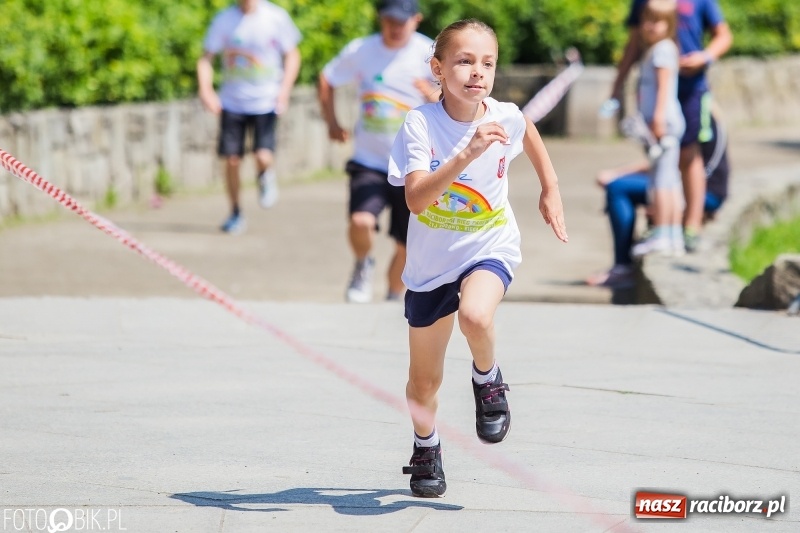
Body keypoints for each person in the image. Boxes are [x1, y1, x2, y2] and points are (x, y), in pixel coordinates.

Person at [387, 19, 568, 497]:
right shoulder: (420, 123)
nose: (477, 72)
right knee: (423, 381)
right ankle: (426, 446)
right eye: (464, 60)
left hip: (489, 243)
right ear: (438, 68)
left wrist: (550, 189)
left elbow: (526, 129)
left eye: (487, 62)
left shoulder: (504, 114)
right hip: (431, 264)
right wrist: (466, 155)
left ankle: (487, 380)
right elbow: (418, 201)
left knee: (475, 314)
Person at [318, 0, 439, 303]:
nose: (395, 28)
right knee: (360, 221)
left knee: (407, 245)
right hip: (369, 160)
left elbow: (459, 98)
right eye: (389, 21)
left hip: (414, 165)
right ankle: (363, 263)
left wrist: (436, 95)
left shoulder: (430, 55)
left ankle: (393, 297)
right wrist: (332, 121)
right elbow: (327, 78)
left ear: (417, 19)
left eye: (402, 21)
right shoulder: (361, 50)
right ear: (380, 19)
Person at [610, 0, 732, 251]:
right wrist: (617, 85)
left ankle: (691, 226)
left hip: (691, 89)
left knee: (688, 156)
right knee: (662, 166)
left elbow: (723, 35)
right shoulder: (644, 4)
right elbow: (633, 42)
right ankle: (667, 227)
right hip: (657, 92)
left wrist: (705, 56)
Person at [587, 113, 729, 288]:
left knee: (618, 187)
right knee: (621, 185)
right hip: (697, 188)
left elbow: (676, 162)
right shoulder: (700, 110)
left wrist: (618, 173)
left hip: (705, 193)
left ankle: (623, 267)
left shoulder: (690, 113)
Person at [198, 0, 302, 234]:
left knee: (263, 156)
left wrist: (284, 90)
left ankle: (265, 174)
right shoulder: (224, 20)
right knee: (232, 160)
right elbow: (206, 58)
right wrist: (206, 89)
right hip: (232, 102)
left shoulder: (275, 17)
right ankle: (235, 212)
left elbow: (293, 55)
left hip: (266, 101)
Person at [628, 0, 686, 256]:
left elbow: (664, 88)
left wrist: (658, 118)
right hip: (668, 123)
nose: (650, 26)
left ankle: (662, 232)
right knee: (670, 179)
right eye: (647, 20)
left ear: (669, 25)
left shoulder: (661, 50)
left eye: (657, 21)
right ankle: (673, 234)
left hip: (663, 123)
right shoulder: (664, 48)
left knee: (661, 181)